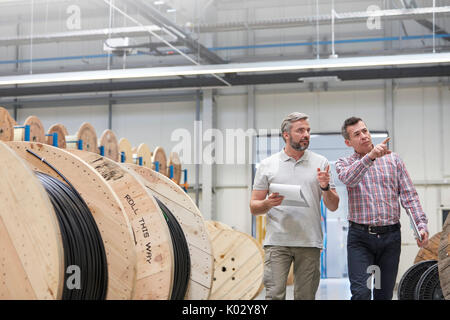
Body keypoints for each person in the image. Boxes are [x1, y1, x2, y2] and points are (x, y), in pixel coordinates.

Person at [335, 116, 429, 300]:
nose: (363, 136)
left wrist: (420, 226)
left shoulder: (393, 160)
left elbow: (409, 196)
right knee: (361, 293)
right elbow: (349, 179)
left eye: (365, 131)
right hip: (360, 239)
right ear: (348, 142)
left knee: (383, 295)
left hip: (390, 238)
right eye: (357, 134)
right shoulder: (343, 163)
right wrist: (370, 157)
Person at [250, 112, 339, 300]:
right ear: (286, 135)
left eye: (308, 130)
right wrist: (267, 203)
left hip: (309, 242)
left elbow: (333, 205)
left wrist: (325, 187)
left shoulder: (320, 163)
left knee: (305, 297)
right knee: (274, 295)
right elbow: (254, 206)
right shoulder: (267, 165)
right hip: (277, 242)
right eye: (300, 130)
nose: (306, 134)